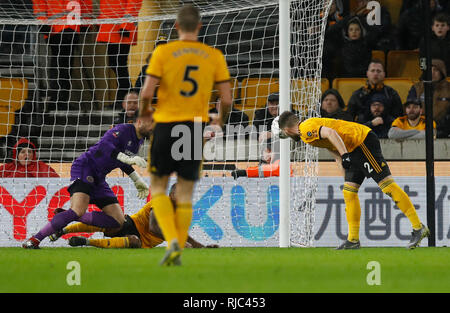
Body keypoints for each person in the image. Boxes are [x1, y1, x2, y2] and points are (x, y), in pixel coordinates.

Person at [139, 5, 232, 266]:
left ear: (177, 26)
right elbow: (226, 98)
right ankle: (179, 243)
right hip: (194, 127)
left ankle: (173, 243)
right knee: (185, 194)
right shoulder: (213, 55)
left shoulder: (163, 51)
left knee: (158, 187)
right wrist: (220, 119)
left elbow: (146, 93)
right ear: (199, 27)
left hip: (167, 126)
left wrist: (146, 112)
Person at [274, 111, 430, 250]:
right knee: (349, 192)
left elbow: (331, 133)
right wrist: (344, 168)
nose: (287, 136)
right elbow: (330, 145)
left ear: (286, 130)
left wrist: (345, 156)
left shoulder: (306, 129)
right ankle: (353, 240)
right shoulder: (307, 133)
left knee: (387, 185)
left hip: (361, 142)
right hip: (351, 149)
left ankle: (418, 227)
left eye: (284, 134)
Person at [22, 118, 153, 249]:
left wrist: (136, 179)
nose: (153, 127)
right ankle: (34, 240)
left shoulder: (138, 141)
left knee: (118, 221)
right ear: (141, 121)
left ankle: (67, 215)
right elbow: (106, 145)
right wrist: (127, 158)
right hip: (85, 168)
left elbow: (121, 161)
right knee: (78, 210)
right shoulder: (123, 129)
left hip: (99, 178)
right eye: (151, 123)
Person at [50, 184, 219, 249]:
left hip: (143, 243)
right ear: (172, 194)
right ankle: (63, 229)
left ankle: (85, 241)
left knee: (134, 241)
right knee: (116, 222)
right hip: (132, 224)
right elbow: (154, 227)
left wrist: (201, 247)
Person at [32, 0, 83, 111]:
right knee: (63, 66)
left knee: (61, 66)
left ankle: (58, 100)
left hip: (58, 28)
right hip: (67, 28)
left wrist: (42, 23)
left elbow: (39, 5)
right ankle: (59, 100)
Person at [96, 0, 143, 109]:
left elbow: (133, 3)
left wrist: (125, 25)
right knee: (116, 64)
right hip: (112, 29)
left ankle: (125, 99)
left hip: (120, 30)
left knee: (119, 65)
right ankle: (129, 98)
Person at [407, 59, 450, 138]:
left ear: (442, 72)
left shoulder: (448, 88)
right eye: (429, 69)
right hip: (419, 129)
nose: (432, 73)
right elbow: (410, 110)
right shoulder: (416, 88)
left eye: (436, 70)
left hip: (444, 131)